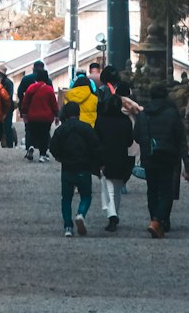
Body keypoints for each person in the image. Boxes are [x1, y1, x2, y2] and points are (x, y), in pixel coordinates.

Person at [135, 83, 189, 239]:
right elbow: (181, 140)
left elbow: (136, 136)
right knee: (166, 191)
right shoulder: (172, 114)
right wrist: (187, 165)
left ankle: (156, 219)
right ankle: (158, 220)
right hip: (168, 157)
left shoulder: (143, 114)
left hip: (149, 156)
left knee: (152, 190)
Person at [50, 99, 102, 236]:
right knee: (86, 195)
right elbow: (96, 146)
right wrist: (98, 163)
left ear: (65, 114)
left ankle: (68, 226)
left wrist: (59, 156)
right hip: (84, 166)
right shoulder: (86, 128)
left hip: (67, 167)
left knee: (66, 198)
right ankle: (81, 213)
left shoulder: (61, 130)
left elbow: (53, 147)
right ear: (79, 113)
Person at [95, 88, 135, 231]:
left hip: (105, 157)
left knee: (107, 188)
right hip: (121, 157)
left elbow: (96, 139)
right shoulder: (125, 121)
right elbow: (130, 141)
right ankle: (114, 214)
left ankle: (112, 215)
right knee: (116, 188)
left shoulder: (101, 120)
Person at [19, 68, 58, 161]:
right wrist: (56, 115)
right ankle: (42, 155)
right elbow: (54, 104)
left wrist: (24, 113)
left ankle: (31, 146)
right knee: (44, 135)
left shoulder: (31, 88)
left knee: (32, 133)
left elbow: (25, 102)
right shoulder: (49, 89)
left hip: (32, 116)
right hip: (46, 117)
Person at [0, 63, 15, 149]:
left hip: (7, 108)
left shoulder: (8, 83)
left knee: (7, 126)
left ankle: (9, 145)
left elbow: (9, 97)